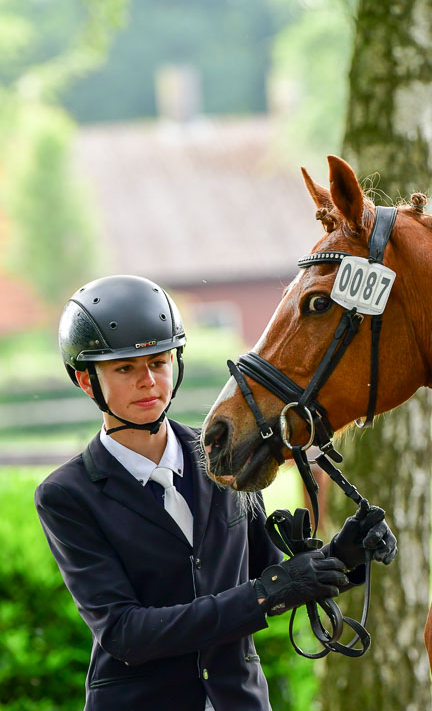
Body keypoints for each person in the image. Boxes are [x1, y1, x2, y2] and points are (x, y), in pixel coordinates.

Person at [35, 275, 397, 711]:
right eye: (125, 368)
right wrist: (267, 592)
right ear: (87, 380)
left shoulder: (223, 454)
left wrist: (344, 556)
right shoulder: (66, 495)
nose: (148, 381)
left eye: (158, 362)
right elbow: (125, 633)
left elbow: (267, 573)